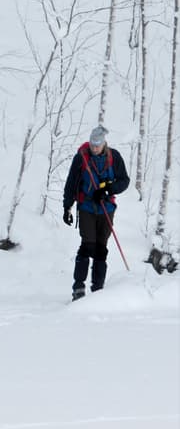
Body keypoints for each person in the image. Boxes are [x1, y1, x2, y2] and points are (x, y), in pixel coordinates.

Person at [63, 126, 129, 301]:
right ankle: (78, 287)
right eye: (92, 144)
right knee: (88, 245)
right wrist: (67, 207)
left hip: (106, 208)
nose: (94, 148)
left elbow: (124, 181)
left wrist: (108, 189)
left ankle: (97, 290)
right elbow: (71, 183)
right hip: (86, 207)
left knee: (101, 248)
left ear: (104, 143)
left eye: (98, 145)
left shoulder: (114, 157)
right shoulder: (81, 158)